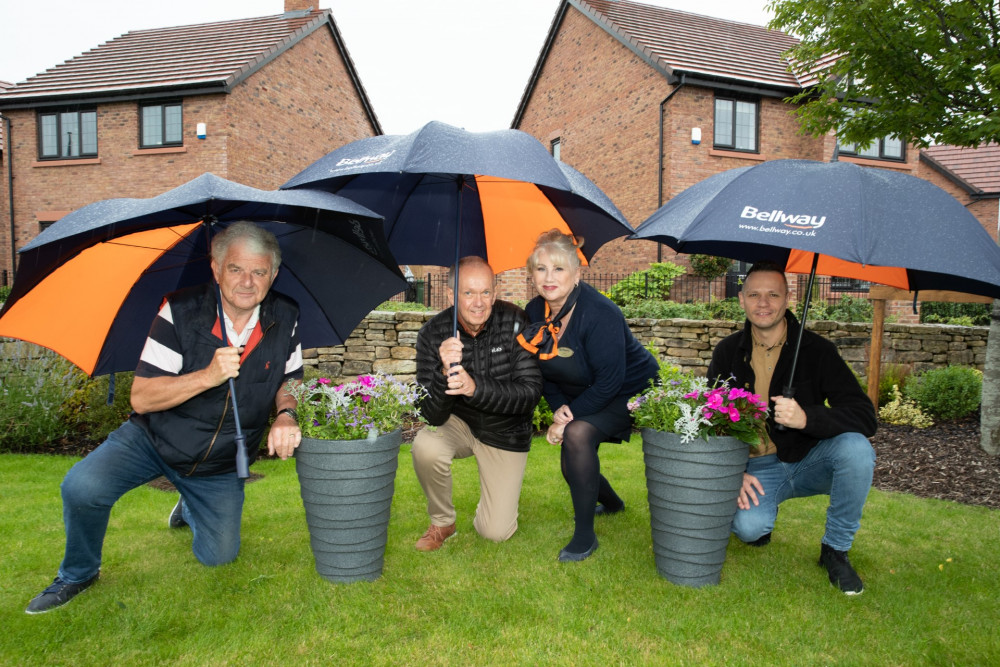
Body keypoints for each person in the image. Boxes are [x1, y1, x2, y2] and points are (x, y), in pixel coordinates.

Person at [25, 221, 304, 614]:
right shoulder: (180, 311)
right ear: (216, 268)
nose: (247, 281)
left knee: (219, 557)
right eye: (236, 269)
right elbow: (142, 398)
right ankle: (78, 573)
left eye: (259, 271)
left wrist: (286, 415)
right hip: (154, 440)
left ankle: (187, 507)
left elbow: (290, 378)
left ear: (273, 274)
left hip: (218, 461)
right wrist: (208, 375)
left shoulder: (285, 315)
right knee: (82, 487)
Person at [707, 261, 877, 595]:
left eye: (773, 294)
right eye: (754, 294)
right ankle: (763, 515)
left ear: (788, 299)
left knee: (857, 450)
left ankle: (835, 550)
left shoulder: (817, 351)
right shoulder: (728, 352)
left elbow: (864, 416)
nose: (763, 303)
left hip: (810, 459)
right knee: (749, 529)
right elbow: (712, 420)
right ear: (741, 300)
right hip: (757, 468)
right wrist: (734, 472)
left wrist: (807, 418)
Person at [519, 230, 658, 562]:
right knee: (573, 453)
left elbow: (610, 382)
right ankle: (611, 503)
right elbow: (542, 369)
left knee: (577, 435)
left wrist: (567, 422)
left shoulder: (600, 313)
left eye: (558, 269)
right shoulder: (535, 310)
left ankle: (584, 538)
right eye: (540, 269)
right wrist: (558, 411)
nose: (548, 278)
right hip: (583, 387)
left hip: (629, 389)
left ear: (577, 273)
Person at [411, 256, 542, 551]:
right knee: (425, 445)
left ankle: (495, 499)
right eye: (468, 293)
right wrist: (443, 374)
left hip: (505, 430)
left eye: (485, 292)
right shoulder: (433, 333)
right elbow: (430, 414)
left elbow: (530, 393)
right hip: (459, 423)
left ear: (495, 294)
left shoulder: (515, 321)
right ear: (450, 295)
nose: (478, 302)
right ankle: (443, 522)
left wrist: (474, 387)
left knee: (495, 532)